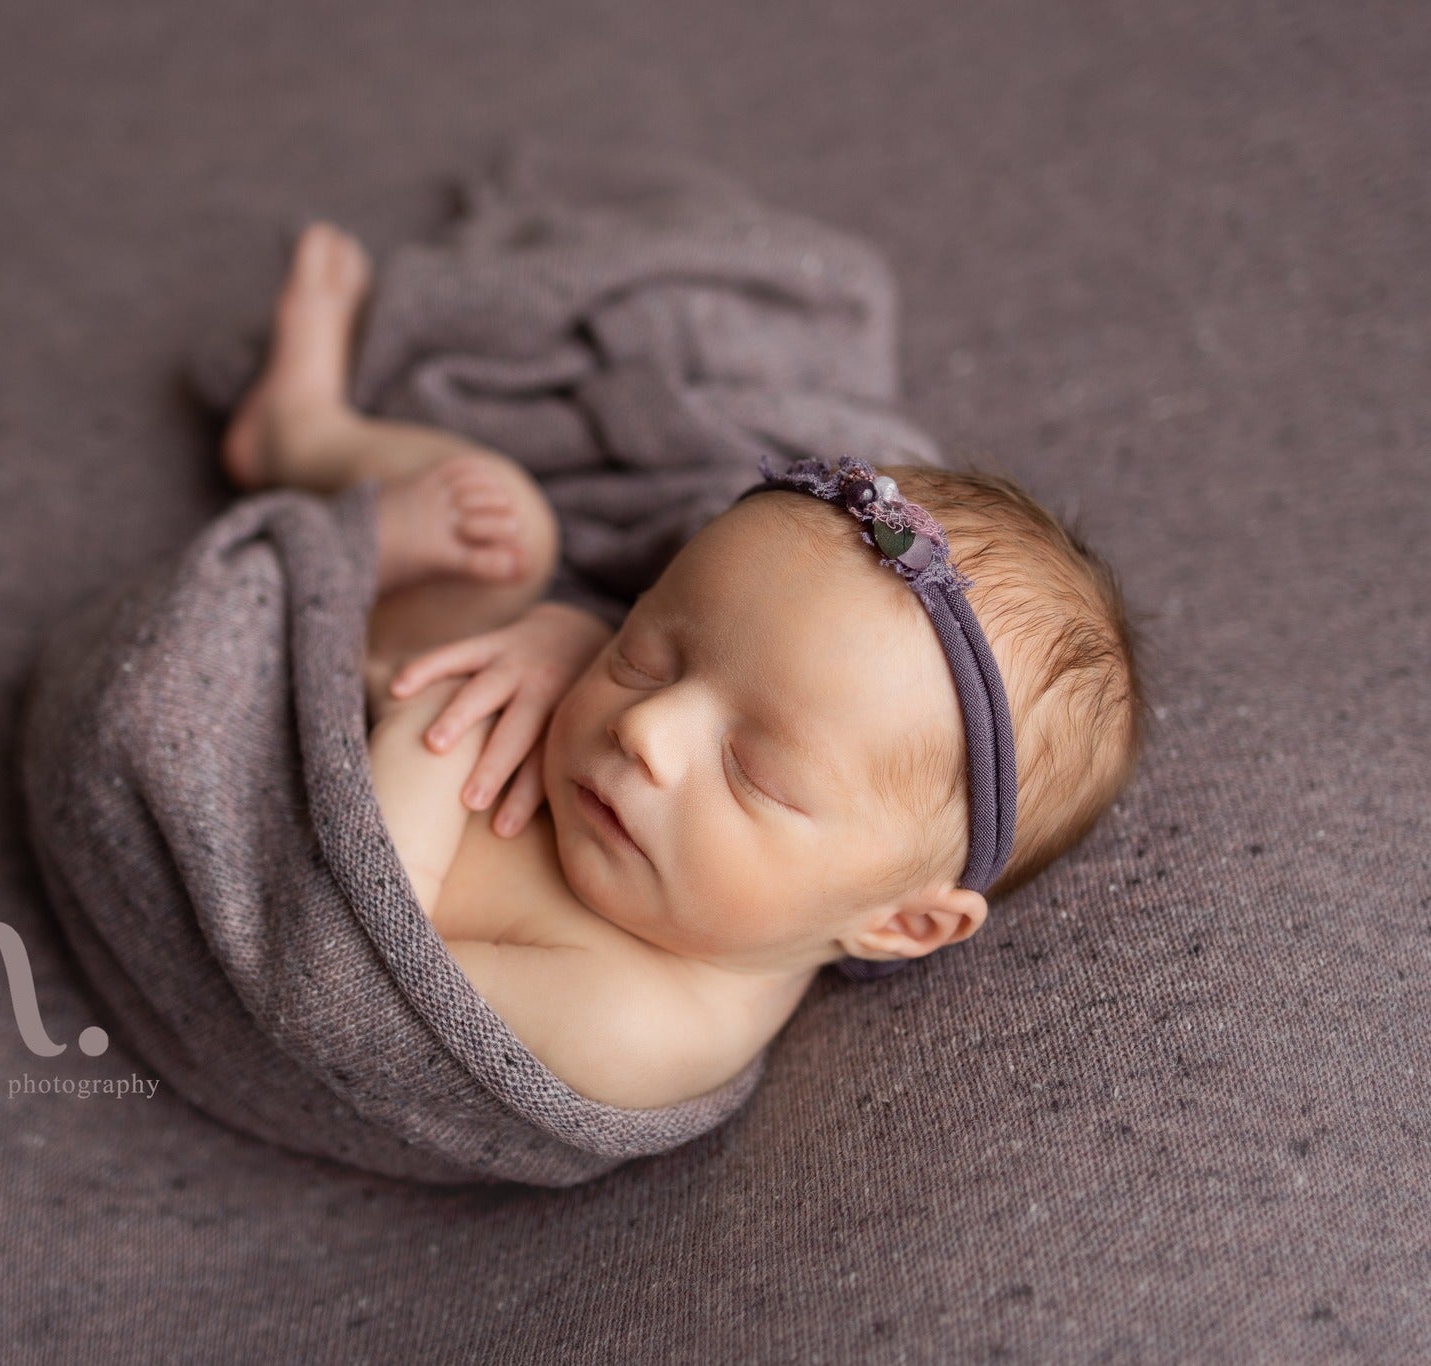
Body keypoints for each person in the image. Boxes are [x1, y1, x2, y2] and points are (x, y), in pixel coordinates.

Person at [223, 223, 1148, 1109]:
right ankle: (302, 435)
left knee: (480, 541)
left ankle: (334, 550)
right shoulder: (676, 802)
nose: (645, 728)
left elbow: (335, 986)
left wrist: (443, 720)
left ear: (901, 923)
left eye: (753, 773)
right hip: (389, 704)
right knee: (502, 525)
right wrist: (565, 635)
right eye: (646, 656)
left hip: (309, 822)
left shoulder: (636, 1025)